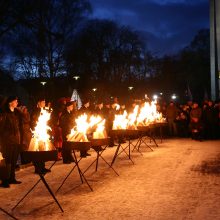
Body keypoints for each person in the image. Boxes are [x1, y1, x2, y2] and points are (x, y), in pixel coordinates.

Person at [0, 96, 22, 187]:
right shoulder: (5, 114)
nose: (17, 102)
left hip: (16, 141)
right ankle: (5, 180)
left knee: (13, 161)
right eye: (15, 101)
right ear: (10, 103)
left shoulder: (16, 114)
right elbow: (1, 128)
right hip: (7, 142)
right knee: (7, 161)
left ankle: (12, 178)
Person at [31, 97, 51, 174]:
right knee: (38, 150)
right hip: (37, 132)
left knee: (43, 149)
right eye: (42, 102)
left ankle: (42, 167)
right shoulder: (35, 111)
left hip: (43, 131)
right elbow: (33, 121)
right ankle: (37, 168)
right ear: (39, 103)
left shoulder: (44, 111)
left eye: (44, 102)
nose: (44, 103)